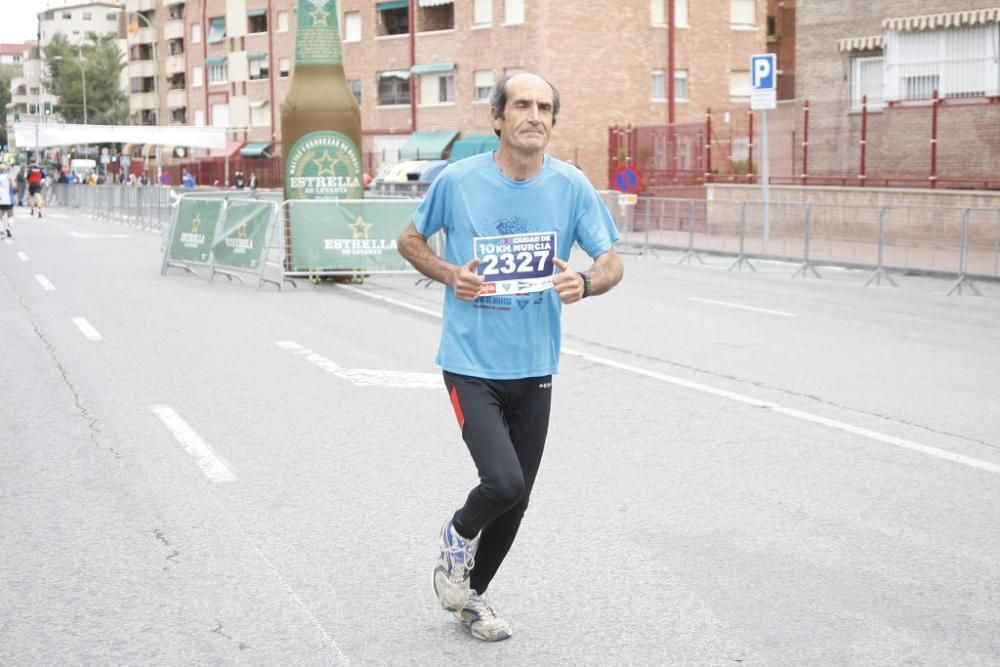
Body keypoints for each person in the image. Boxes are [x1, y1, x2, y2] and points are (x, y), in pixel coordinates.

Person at [397, 72, 624, 643]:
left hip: (536, 367)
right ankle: (457, 534)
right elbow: (410, 241)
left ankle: (472, 597)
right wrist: (451, 273)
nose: (535, 115)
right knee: (501, 481)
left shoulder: (571, 186)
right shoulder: (459, 180)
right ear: (496, 118)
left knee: (518, 497)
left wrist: (587, 282)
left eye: (545, 107)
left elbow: (613, 260)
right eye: (522, 104)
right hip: (471, 363)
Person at [0, 165, 15, 237]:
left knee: (0, 217)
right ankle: (8, 227)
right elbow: (15, 187)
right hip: (8, 199)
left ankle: (1, 231)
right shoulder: (9, 177)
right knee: (10, 215)